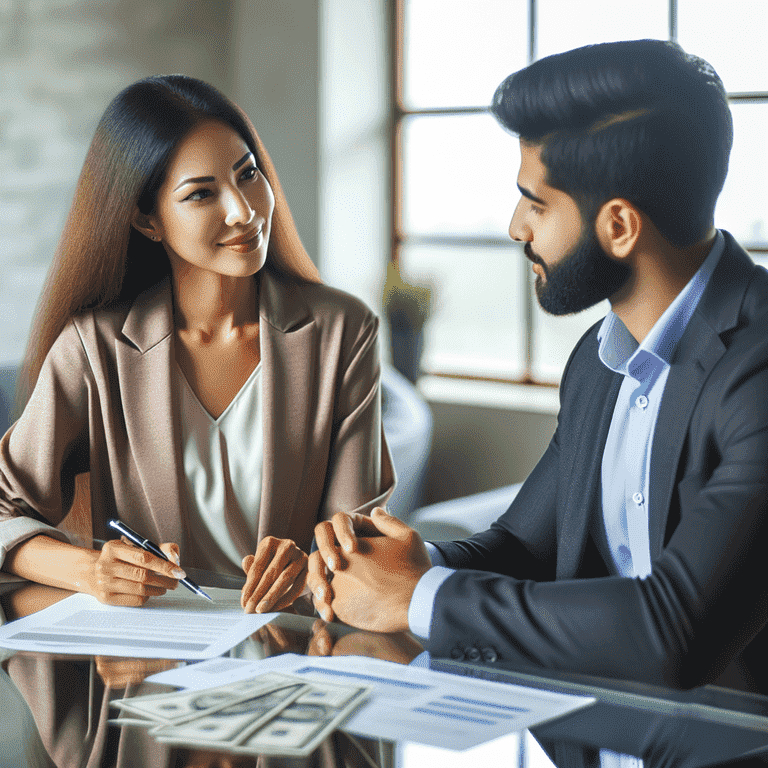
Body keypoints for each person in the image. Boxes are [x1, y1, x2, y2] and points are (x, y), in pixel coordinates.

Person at [309, 39, 768, 692]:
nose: (515, 227)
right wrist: (389, 564)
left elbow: (674, 634)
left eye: (537, 203)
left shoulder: (758, 368)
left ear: (619, 227)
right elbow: (527, 547)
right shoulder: (599, 360)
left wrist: (417, 597)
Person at [0, 75, 393, 613]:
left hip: (297, 655)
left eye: (248, 174)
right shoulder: (95, 350)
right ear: (146, 219)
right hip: (147, 670)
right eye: (201, 193)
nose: (244, 210)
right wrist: (92, 569)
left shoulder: (342, 333)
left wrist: (308, 565)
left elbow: (359, 536)